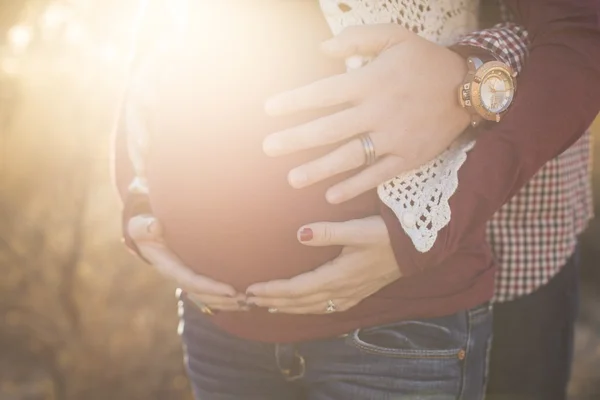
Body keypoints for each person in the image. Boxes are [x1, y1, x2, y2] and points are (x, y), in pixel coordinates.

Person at [113, 1, 600, 399]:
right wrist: (137, 187)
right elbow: (160, 38)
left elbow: (577, 32)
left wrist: (430, 223)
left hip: (399, 322)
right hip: (218, 326)